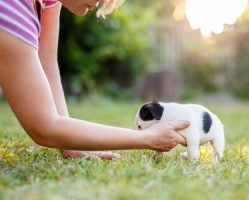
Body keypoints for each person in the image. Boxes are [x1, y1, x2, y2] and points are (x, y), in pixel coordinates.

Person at [0, 0, 189, 159]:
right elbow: (44, 126)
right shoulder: (11, 7)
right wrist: (146, 138)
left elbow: (46, 65)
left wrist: (70, 145)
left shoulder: (47, 2)